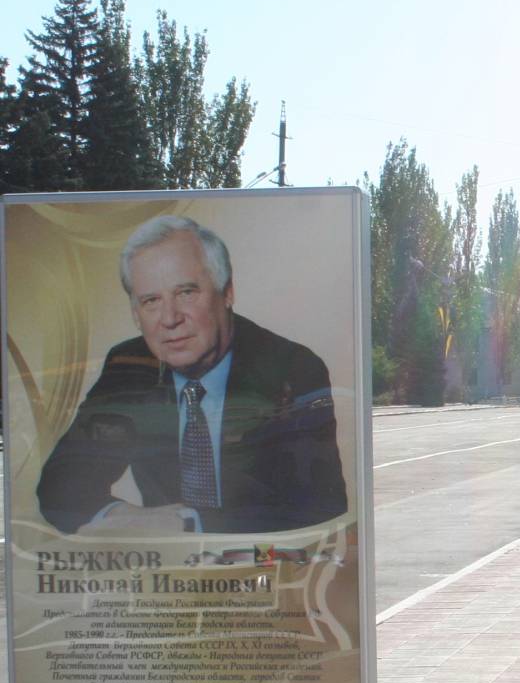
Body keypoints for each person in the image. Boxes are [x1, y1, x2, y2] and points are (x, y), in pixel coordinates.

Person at [37, 216, 348, 536]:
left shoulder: (291, 368)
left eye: (186, 292)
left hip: (260, 572)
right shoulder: (129, 366)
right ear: (135, 313)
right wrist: (121, 517)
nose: (170, 319)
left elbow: (321, 505)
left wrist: (190, 526)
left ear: (227, 292)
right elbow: (60, 484)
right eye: (151, 301)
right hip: (165, 577)